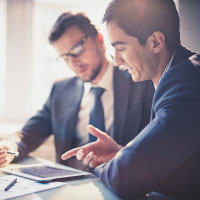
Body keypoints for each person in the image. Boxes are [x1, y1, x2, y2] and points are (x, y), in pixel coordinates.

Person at [61, 0, 200, 199]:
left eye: (122, 48)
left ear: (156, 42)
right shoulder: (182, 75)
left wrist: (112, 167)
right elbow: (184, 169)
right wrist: (123, 153)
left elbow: (124, 178)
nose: (116, 60)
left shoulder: (186, 86)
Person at [0, 12, 154, 170]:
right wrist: (9, 147)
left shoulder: (140, 83)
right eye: (65, 57)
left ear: (99, 40)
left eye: (77, 49)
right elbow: (27, 135)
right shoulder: (61, 90)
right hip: (70, 187)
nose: (73, 62)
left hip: (118, 184)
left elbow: (153, 150)